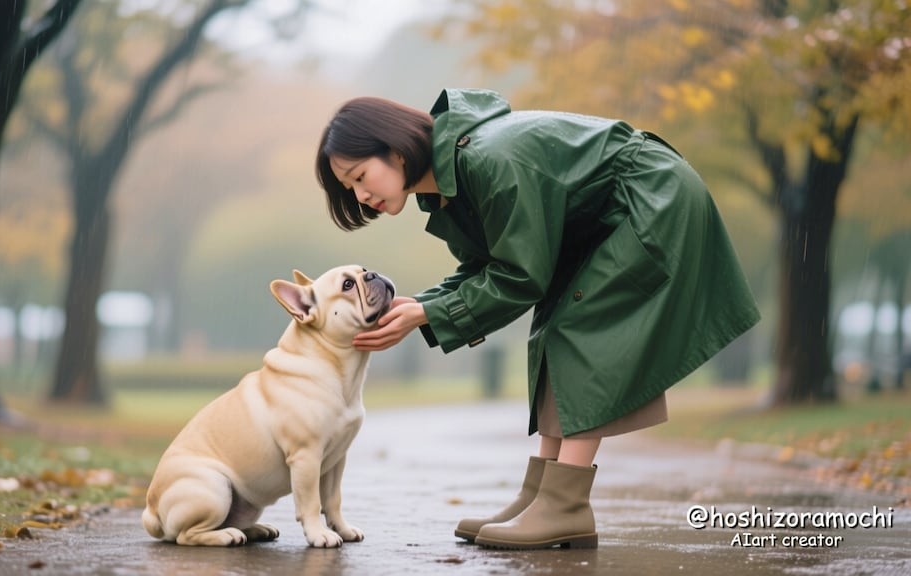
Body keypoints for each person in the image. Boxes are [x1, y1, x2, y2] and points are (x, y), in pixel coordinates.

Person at [314, 88, 760, 550]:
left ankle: (565, 505)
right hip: (606, 218)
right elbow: (486, 267)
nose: (361, 195)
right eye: (350, 188)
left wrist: (431, 313)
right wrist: (420, 308)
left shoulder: (488, 161)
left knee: (577, 330)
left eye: (360, 176)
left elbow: (521, 277)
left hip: (650, 200)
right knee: (550, 330)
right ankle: (541, 497)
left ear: (395, 150)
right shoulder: (452, 185)